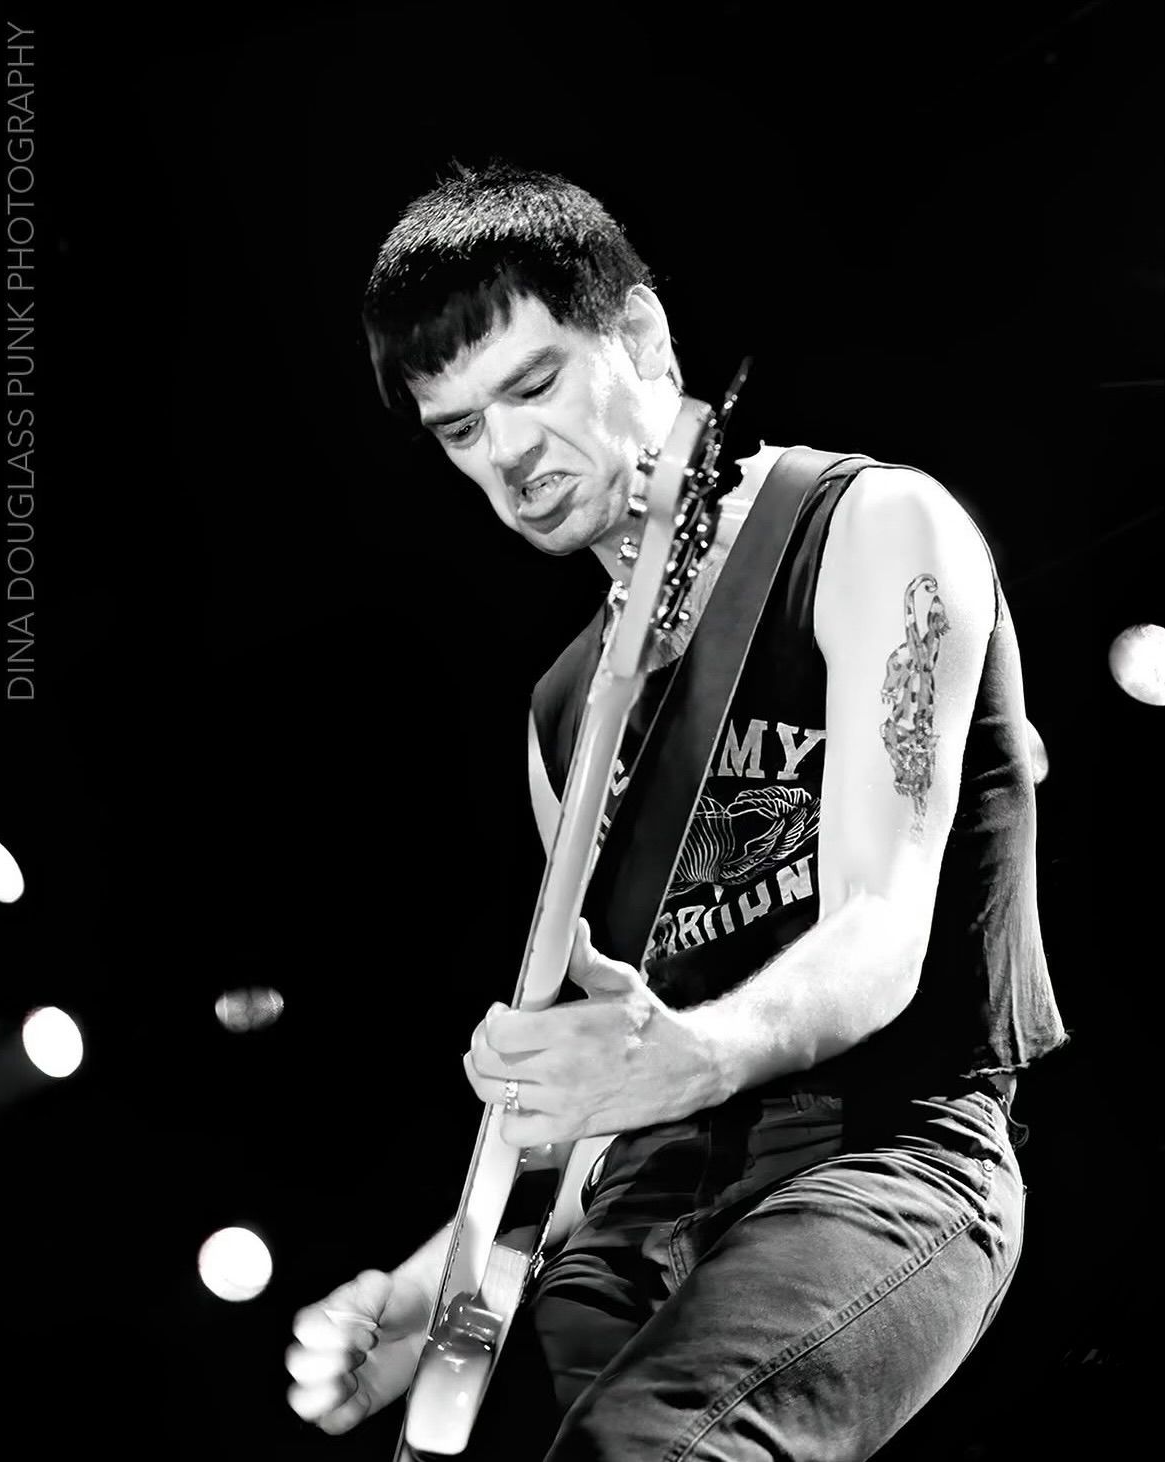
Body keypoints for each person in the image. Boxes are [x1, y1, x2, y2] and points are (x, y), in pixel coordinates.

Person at [284, 161, 1067, 1460]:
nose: (506, 453)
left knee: (646, 1444)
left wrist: (692, 1054)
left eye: (533, 385)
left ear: (641, 337)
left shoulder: (872, 527)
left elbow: (880, 931)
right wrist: (441, 1291)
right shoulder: (561, 713)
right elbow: (600, 1101)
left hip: (873, 1157)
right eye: (459, 430)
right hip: (643, 1207)